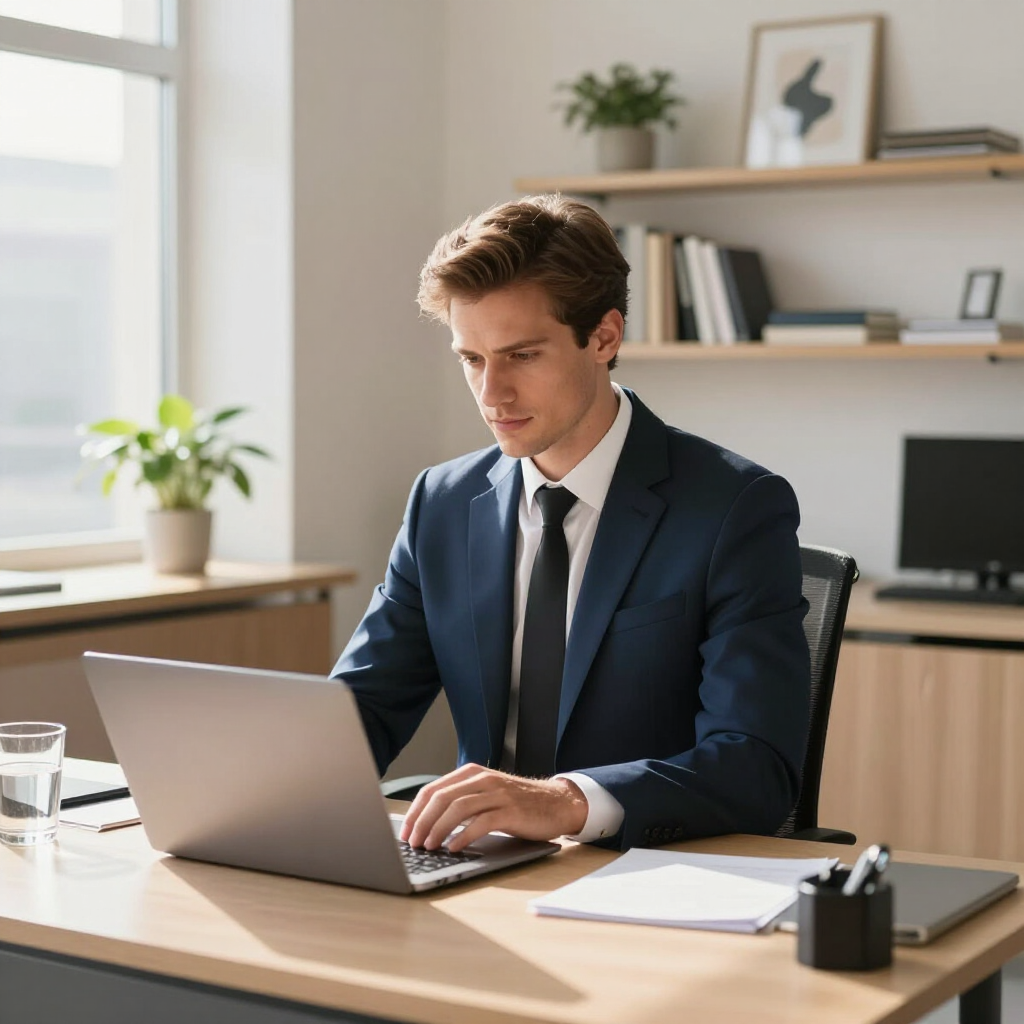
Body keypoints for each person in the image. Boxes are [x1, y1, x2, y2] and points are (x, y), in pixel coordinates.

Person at [331, 194, 810, 854]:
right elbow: (365, 707)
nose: (491, 395)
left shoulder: (735, 508)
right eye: (471, 359)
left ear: (604, 337)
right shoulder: (441, 502)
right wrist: (261, 787)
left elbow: (757, 765)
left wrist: (565, 801)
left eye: (522, 356)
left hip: (644, 874)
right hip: (477, 866)